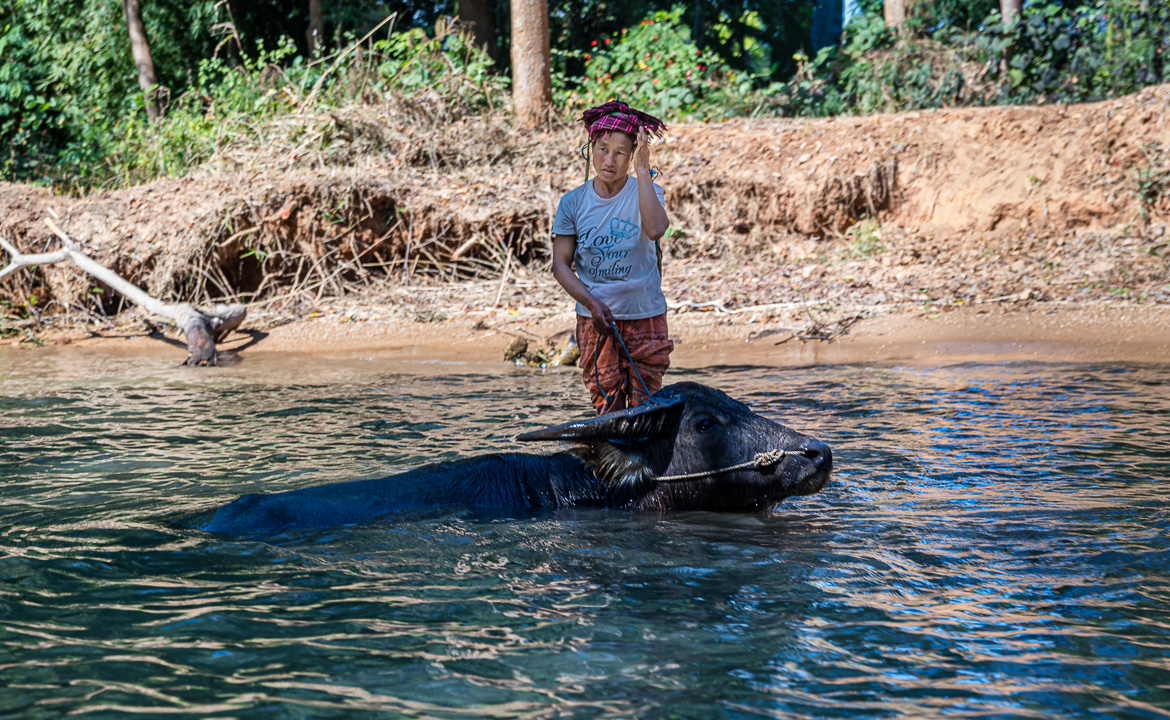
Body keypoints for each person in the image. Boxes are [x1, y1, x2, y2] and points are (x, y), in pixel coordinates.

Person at [551, 101, 674, 415]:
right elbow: (560, 265)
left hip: (645, 314)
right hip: (596, 319)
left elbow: (657, 228)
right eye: (603, 148)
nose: (610, 159)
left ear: (632, 155)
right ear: (590, 147)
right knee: (607, 406)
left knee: (648, 407)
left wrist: (643, 170)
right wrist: (591, 303)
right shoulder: (573, 203)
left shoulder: (647, 191)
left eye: (621, 152)